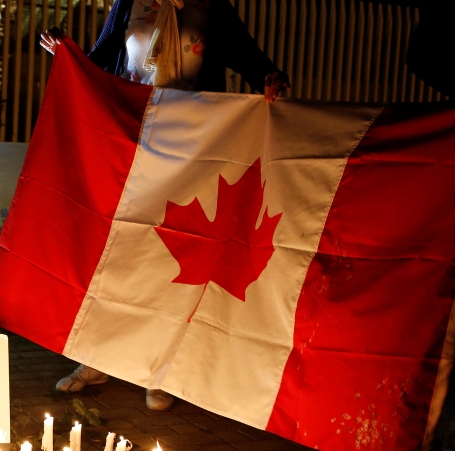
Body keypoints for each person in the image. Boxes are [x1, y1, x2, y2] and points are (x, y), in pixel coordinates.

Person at [40, 0, 290, 410]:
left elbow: (250, 59)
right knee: (118, 248)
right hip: (131, 134)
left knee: (168, 257)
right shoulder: (129, 1)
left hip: (191, 146)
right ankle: (97, 358)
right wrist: (66, 51)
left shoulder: (212, 8)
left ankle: (160, 371)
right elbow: (102, 58)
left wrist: (270, 78)